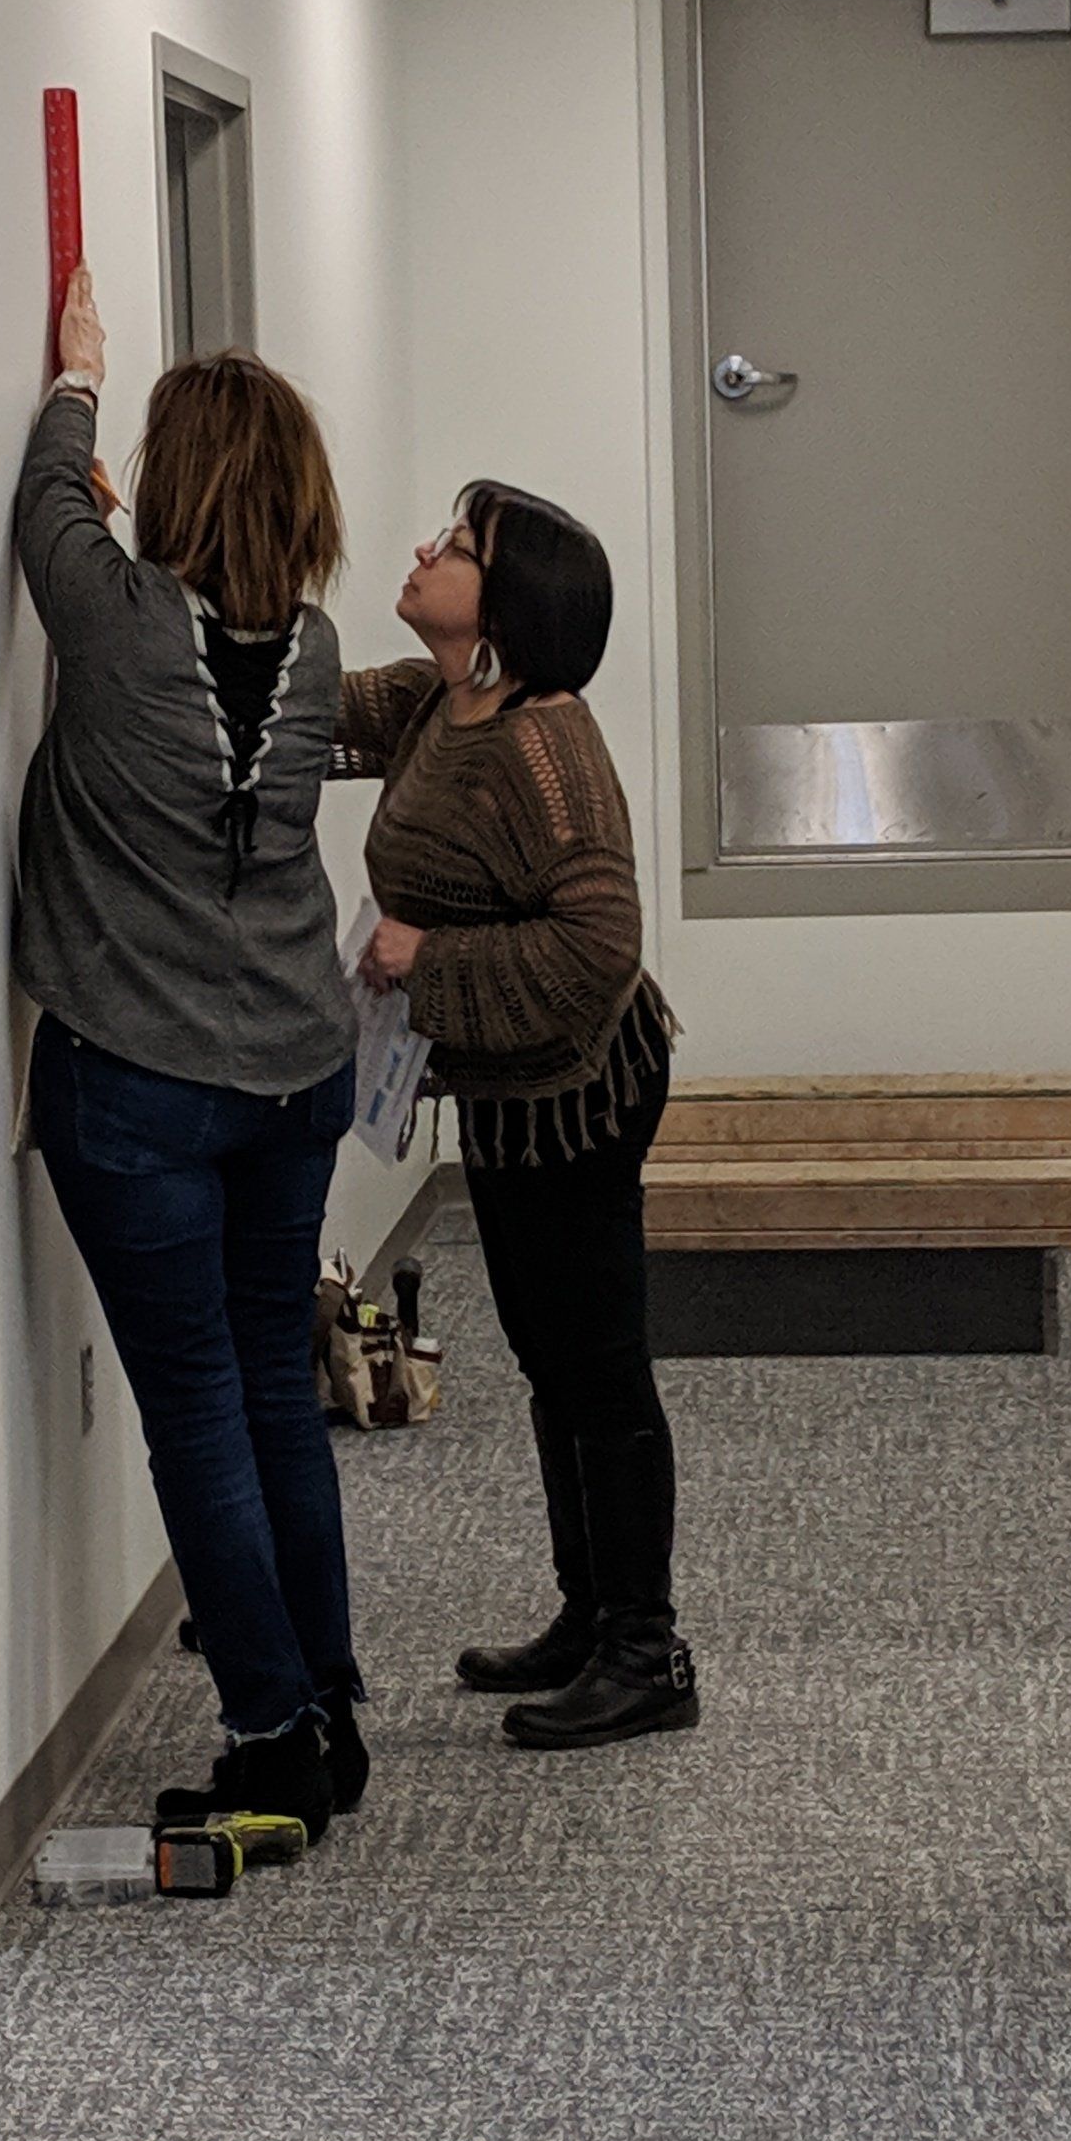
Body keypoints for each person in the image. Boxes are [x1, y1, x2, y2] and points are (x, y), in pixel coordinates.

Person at [15, 267, 365, 1841]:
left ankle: (271, 1736)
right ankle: (328, 1703)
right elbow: (148, 599)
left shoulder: (117, 620)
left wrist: (78, 375)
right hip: (294, 1069)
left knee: (200, 1409)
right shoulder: (318, 649)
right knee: (276, 1387)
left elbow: (44, 504)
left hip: (140, 1084)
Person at [331, 483, 697, 1750]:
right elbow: (317, 705)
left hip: (579, 1094)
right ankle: (588, 1615)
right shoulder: (438, 703)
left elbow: (599, 945)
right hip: (504, 1090)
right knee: (547, 1357)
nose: (425, 550)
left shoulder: (546, 751)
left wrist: (422, 960)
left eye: (457, 546)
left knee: (598, 1365)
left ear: (507, 607)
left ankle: (648, 1651)